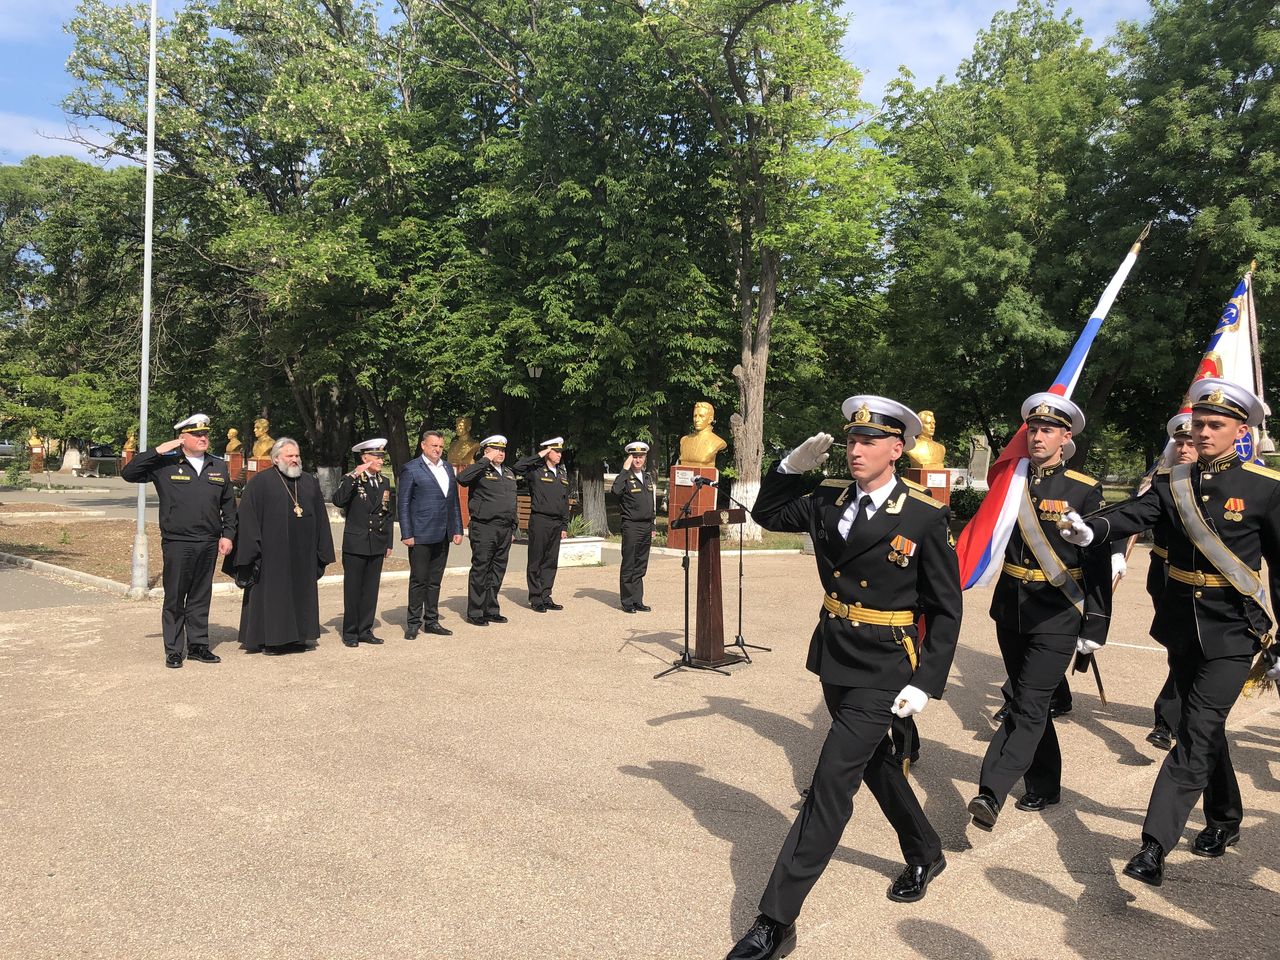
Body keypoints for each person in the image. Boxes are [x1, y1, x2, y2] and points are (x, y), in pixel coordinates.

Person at [725, 395, 961, 960]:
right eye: (851, 441)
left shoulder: (924, 515)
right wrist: (789, 469)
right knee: (876, 764)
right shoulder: (827, 498)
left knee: (831, 783)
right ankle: (925, 850)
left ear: (896, 449)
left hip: (885, 664)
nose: (856, 451)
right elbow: (766, 515)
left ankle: (774, 920)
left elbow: (947, 608)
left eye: (870, 442)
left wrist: (926, 681)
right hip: (836, 655)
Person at [1059, 378, 1280, 886]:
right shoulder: (1173, 482)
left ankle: (1153, 846)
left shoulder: (1264, 488)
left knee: (1195, 733)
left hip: (1233, 632)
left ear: (1239, 431)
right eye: (1198, 423)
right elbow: (1135, 513)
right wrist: (1092, 529)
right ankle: (1224, 818)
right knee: (1201, 728)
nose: (1202, 432)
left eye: (1215, 425)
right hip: (1184, 628)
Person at [966, 393, 1113, 833]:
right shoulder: (1009, 482)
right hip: (1011, 607)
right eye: (1032, 429)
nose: (1037, 436)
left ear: (1066, 437)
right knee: (1035, 702)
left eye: (1048, 430)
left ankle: (990, 790)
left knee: (1025, 703)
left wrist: (1096, 623)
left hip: (1058, 611)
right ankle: (1046, 783)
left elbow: (1097, 561)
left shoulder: (1083, 488)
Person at [121, 413, 235, 669]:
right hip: (177, 541)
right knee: (175, 596)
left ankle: (198, 646)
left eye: (205, 434)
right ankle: (174, 649)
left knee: (200, 595)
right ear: (182, 438)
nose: (202, 438)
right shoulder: (167, 464)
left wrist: (228, 534)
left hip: (208, 540)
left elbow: (228, 505)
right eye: (196, 434)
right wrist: (158, 451)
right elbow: (129, 473)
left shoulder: (218, 466)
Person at [225, 437, 335, 655]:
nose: (294, 460)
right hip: (271, 555)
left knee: (300, 594)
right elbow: (247, 519)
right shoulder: (260, 483)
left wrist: (322, 549)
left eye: (297, 456)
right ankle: (272, 639)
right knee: (274, 595)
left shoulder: (308, 481)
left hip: (303, 554)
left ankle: (299, 637)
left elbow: (321, 517)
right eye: (289, 456)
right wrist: (252, 552)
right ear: (276, 459)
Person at [1145, 413, 1198, 751]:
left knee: (1186, 646)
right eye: (1179, 442)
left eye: (1190, 443)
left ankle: (1168, 719)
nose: (1183, 448)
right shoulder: (1160, 480)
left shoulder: (1218, 485)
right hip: (1163, 571)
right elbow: (1136, 515)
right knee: (1177, 645)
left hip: (1202, 578)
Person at [398, 429, 463, 637]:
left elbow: (453, 502)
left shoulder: (447, 468)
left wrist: (457, 528)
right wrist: (407, 533)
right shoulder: (411, 469)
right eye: (434, 445)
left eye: (441, 446)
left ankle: (432, 621)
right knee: (419, 579)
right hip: (420, 533)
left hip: (443, 533)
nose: (438, 450)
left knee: (435, 580)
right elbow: (404, 503)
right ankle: (413, 622)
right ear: (423, 446)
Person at [332, 438, 396, 648]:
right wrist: (354, 474)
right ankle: (350, 632)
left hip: (376, 542)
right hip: (356, 543)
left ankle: (365, 630)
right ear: (364, 457)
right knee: (353, 590)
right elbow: (338, 500)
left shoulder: (384, 482)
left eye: (381, 456)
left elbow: (388, 515)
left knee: (370, 589)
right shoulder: (352, 479)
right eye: (376, 456)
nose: (380, 460)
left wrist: (388, 542)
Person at [457, 434, 518, 626]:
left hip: (504, 529)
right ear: (487, 450)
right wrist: (484, 460)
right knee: (481, 569)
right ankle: (475, 611)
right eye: (497, 449)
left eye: (503, 450)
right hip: (484, 527)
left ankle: (491, 609)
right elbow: (462, 478)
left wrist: (513, 526)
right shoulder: (480, 469)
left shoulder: (508, 472)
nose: (501, 453)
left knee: (497, 571)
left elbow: (511, 501)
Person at [513, 437, 570, 612]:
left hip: (556, 522)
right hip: (540, 520)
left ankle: (546, 595)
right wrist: (540, 454)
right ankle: (536, 597)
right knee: (536, 559)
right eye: (556, 451)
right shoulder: (536, 470)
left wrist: (564, 525)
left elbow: (564, 500)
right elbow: (517, 467)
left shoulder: (561, 473)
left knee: (550, 561)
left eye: (560, 452)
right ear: (547, 451)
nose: (559, 455)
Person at [612, 441, 656, 613]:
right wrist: (624, 470)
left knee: (641, 565)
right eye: (635, 457)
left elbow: (651, 504)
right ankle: (627, 601)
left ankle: (637, 599)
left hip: (646, 526)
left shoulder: (647, 477)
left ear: (645, 458)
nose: (638, 460)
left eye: (641, 457)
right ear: (630, 458)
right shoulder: (625, 477)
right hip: (631, 525)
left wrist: (653, 525)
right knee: (629, 563)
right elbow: (615, 491)